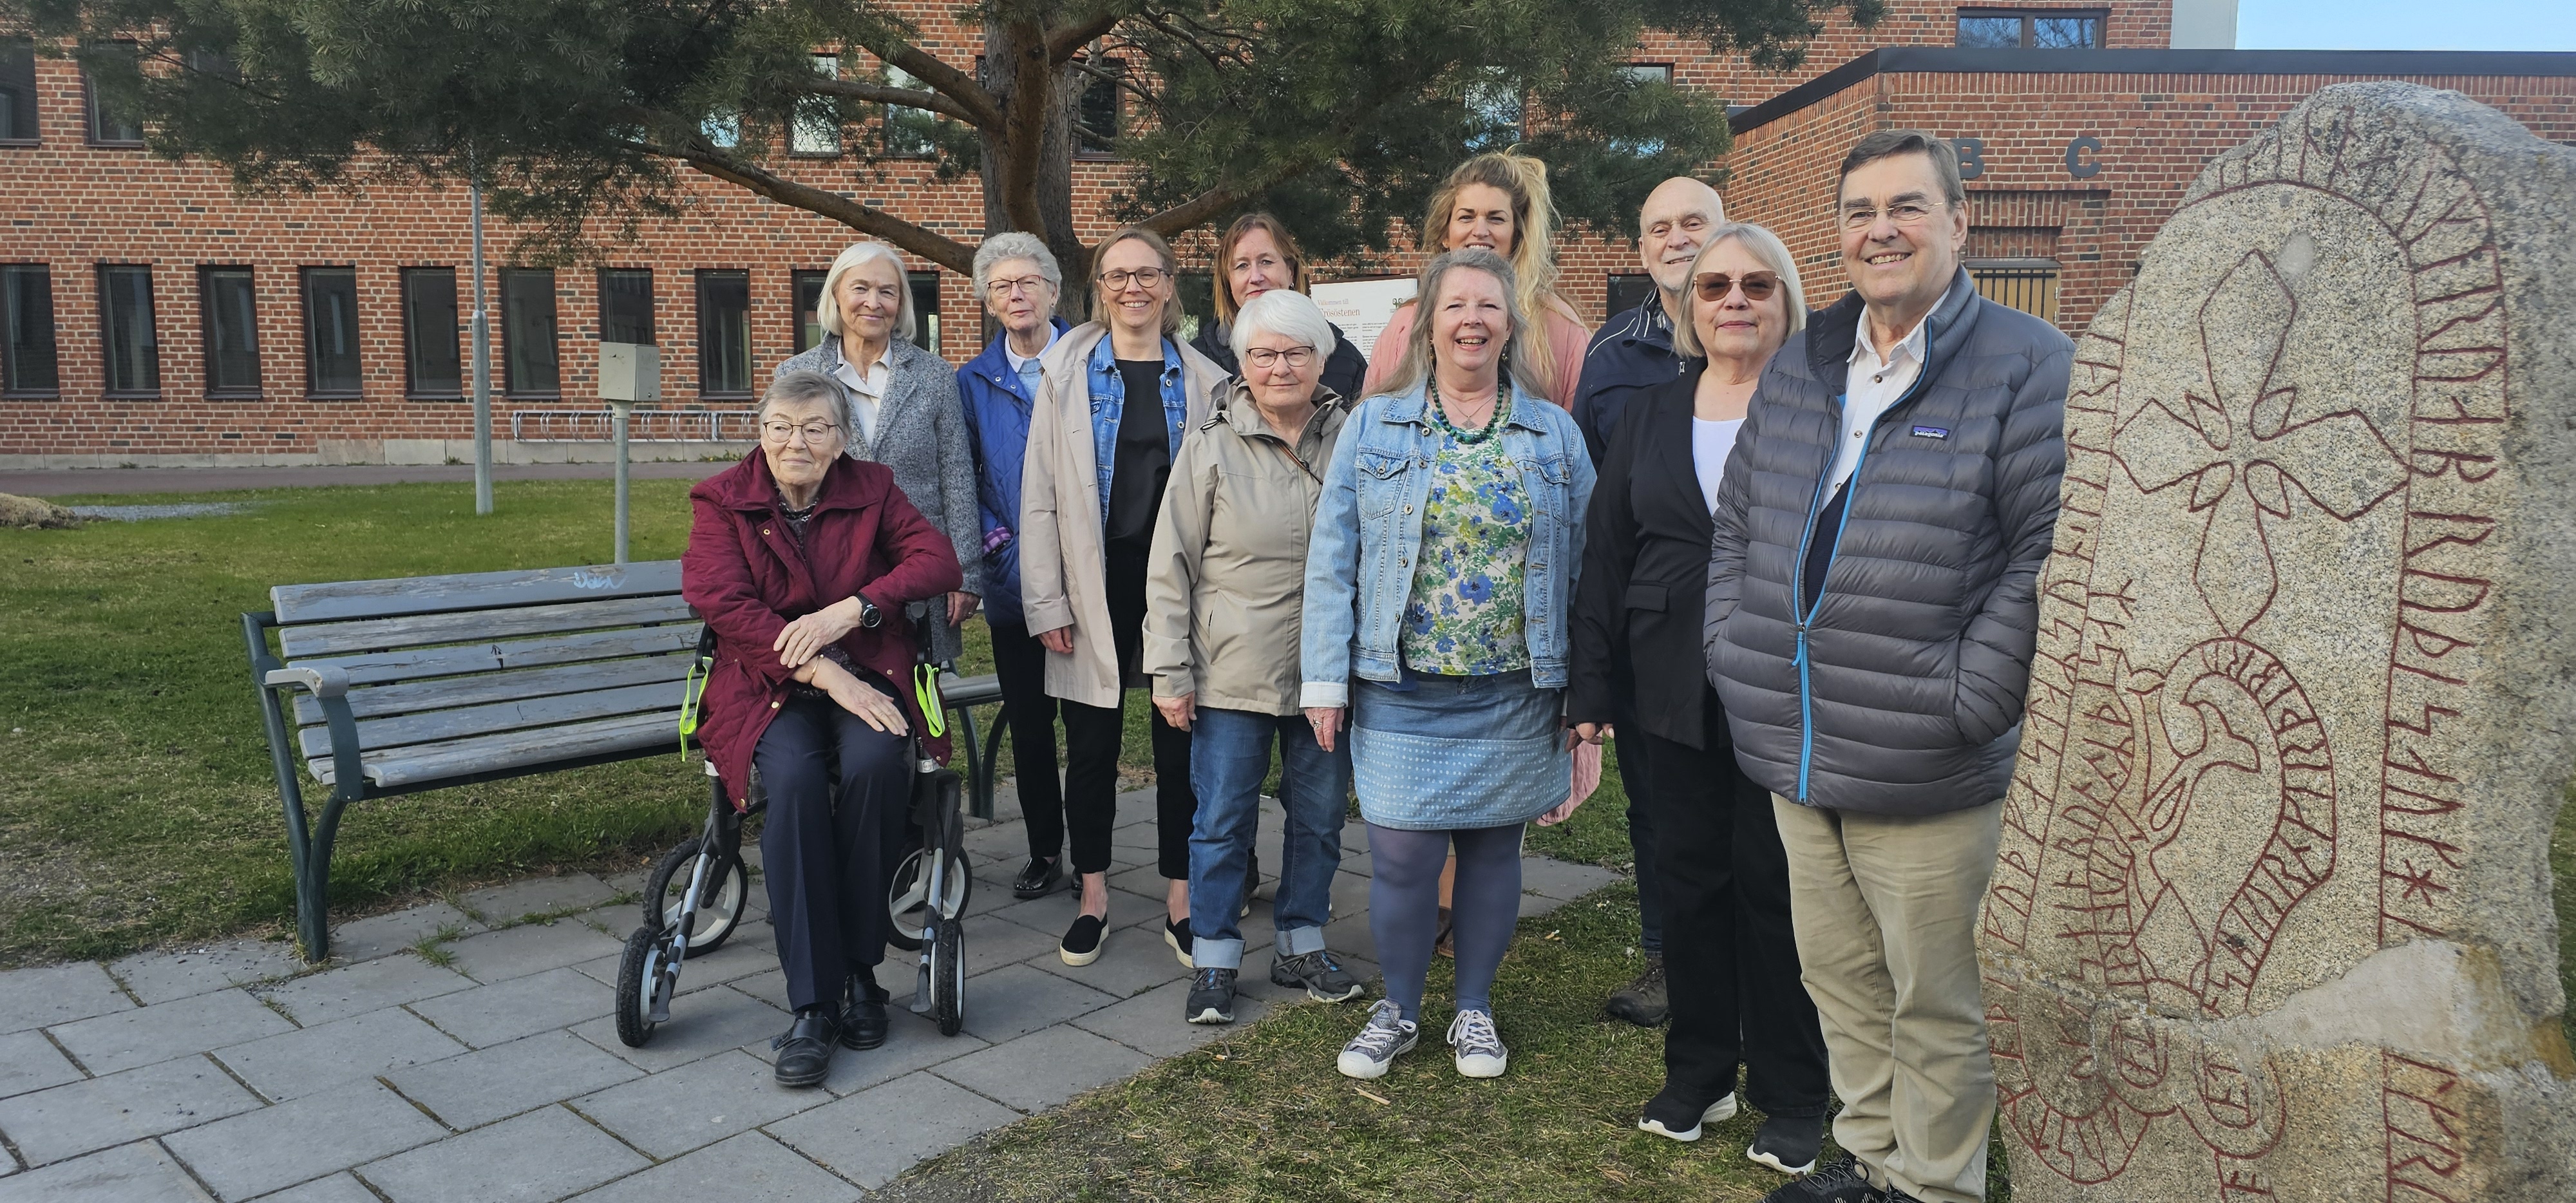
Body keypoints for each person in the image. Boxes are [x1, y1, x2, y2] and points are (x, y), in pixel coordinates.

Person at [1706, 131, 2070, 1203]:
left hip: (1928, 754)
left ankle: (1936, 1185)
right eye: (1861, 210)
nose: (1882, 229)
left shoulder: (2029, 363)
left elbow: (2043, 551)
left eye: (1907, 206)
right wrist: (1735, 650)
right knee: (1843, 979)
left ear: (1960, 223)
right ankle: (1873, 1165)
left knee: (1936, 998)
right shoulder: (1808, 359)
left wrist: (1972, 696)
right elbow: (1739, 525)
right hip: (1797, 739)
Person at [1571, 224, 1830, 1173]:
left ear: (1786, 299)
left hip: (1789, 688)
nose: (1734, 300)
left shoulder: (1826, 405)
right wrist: (1590, 688)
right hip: (1667, 685)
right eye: (1715, 285)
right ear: (1688, 305)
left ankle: (1795, 1089)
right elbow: (1606, 552)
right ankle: (1701, 1072)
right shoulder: (1650, 410)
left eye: (1757, 284)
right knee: (1687, 880)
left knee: (1778, 889)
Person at [1303, 247, 1596, 1083]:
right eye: (1455, 305)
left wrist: (1588, 686)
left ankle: (1473, 1009)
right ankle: (1397, 1008)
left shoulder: (1554, 433)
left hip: (1514, 688)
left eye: (1488, 307)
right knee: (1399, 856)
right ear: (1428, 323)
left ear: (1509, 324)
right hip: (1400, 688)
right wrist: (1324, 682)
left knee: (1493, 852)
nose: (1472, 320)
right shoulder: (1376, 425)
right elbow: (1333, 558)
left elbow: (1587, 566)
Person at [680, 370, 965, 1088]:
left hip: (868, 671)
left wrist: (853, 611)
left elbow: (938, 559)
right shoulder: (723, 499)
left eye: (813, 428)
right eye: (779, 426)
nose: (793, 442)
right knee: (799, 782)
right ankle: (814, 1002)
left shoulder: (872, 487)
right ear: (762, 432)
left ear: (841, 440)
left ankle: (861, 972)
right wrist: (824, 672)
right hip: (765, 687)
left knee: (876, 766)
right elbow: (722, 601)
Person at [1145, 289, 1365, 1025]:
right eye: (1264, 354)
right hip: (1230, 669)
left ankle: (1302, 942)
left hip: (1325, 671)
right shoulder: (1210, 443)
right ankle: (1213, 955)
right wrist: (1169, 671)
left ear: (1321, 359)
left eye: (1296, 352)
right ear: (1242, 363)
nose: (1280, 367)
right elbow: (1169, 565)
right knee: (1221, 820)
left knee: (1319, 814)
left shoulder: (1352, 437)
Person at [1019, 226, 1231, 968]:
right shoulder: (1064, 376)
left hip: (1179, 587)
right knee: (1092, 749)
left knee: (1181, 748)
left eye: (1147, 274)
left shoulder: (1207, 381)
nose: (1132, 287)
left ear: (1171, 285)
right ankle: (1094, 894)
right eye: (1117, 275)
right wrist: (1045, 601)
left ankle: (1180, 896)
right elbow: (1038, 497)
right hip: (1093, 581)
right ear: (1098, 287)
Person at [1569, 175, 1727, 1029]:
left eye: (1693, 222)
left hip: (1754, 624)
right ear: (1641, 251)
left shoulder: (1775, 338)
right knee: (1657, 808)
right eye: (1659, 227)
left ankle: (1758, 957)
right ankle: (1670, 959)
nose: (1677, 238)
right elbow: (1599, 519)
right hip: (1651, 628)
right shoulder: (1610, 359)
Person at [776, 241, 983, 663]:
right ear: (836, 294)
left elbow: (957, 477)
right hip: (826, 567)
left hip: (918, 571)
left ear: (901, 303)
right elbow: (776, 477)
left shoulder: (934, 376)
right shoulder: (796, 375)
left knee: (916, 695)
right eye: (860, 288)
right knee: (835, 691)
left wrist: (967, 573)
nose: (874, 302)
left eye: (887, 292)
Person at [957, 232, 1077, 902]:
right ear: (988, 300)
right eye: (1001, 286)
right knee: (1030, 724)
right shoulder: (972, 381)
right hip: (1012, 579)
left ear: (1054, 291)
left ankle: (1092, 851)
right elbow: (962, 476)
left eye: (1028, 281)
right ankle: (1043, 849)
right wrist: (996, 543)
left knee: (1092, 721)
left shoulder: (1092, 362)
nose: (1016, 294)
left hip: (1088, 578)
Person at [1359, 152, 1593, 408]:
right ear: (1445, 234)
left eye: (1496, 218)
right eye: (1466, 217)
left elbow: (1577, 436)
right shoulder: (1406, 322)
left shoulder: (1560, 326)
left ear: (1516, 235)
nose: (1480, 231)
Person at [1187, 213, 1369, 401]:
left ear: (1291, 271)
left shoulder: (1344, 359)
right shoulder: (1198, 360)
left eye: (1266, 262)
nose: (1255, 277)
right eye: (1242, 266)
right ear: (1229, 279)